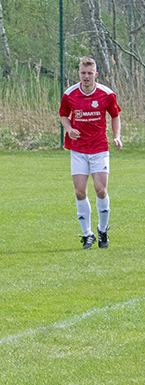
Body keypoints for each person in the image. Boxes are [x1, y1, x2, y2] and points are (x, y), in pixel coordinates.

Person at [59, 56, 122, 249]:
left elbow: (115, 115)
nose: (86, 76)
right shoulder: (70, 94)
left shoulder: (106, 94)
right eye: (83, 73)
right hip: (78, 149)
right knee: (79, 192)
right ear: (79, 73)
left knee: (101, 190)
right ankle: (87, 234)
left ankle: (103, 230)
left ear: (96, 74)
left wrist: (117, 136)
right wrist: (69, 129)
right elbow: (63, 115)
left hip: (99, 148)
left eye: (89, 73)